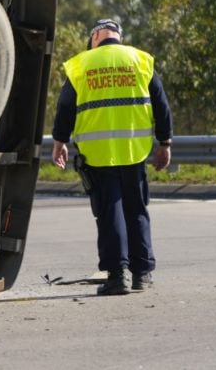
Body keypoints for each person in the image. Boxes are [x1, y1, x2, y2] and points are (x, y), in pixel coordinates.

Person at [51, 18, 173, 295]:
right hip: (134, 151)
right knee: (137, 211)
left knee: (110, 214)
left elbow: (65, 108)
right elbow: (161, 104)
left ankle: (118, 277)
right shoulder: (141, 60)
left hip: (99, 155)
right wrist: (164, 143)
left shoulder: (81, 64)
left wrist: (60, 142)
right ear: (119, 36)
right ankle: (141, 275)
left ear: (95, 37)